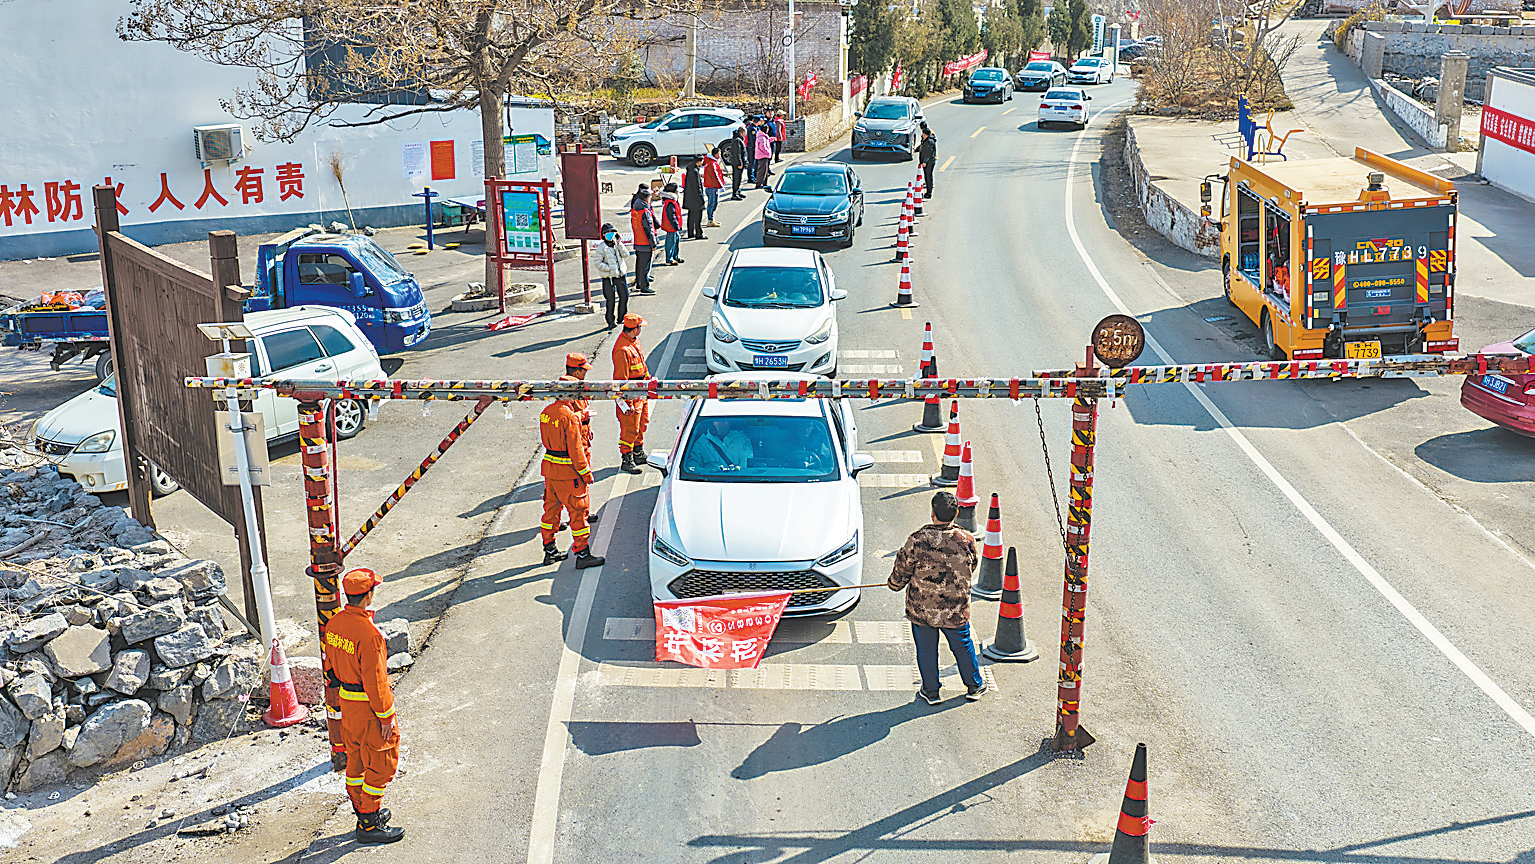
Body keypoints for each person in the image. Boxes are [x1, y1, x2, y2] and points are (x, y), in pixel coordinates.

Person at [325, 566, 405, 844]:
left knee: (357, 759)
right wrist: (386, 717)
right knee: (382, 763)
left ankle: (363, 812)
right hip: (369, 707)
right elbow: (376, 681)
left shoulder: (335, 623)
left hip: (348, 704)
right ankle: (369, 826)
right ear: (368, 595)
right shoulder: (369, 635)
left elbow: (331, 667)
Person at [888, 491, 987, 705]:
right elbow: (973, 565)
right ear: (956, 513)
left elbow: (901, 571)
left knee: (926, 650)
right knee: (962, 646)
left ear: (933, 514)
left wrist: (893, 584)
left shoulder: (917, 540)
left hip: (922, 610)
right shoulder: (967, 540)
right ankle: (974, 685)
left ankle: (931, 691)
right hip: (956, 609)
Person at [540, 353, 605, 569]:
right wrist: (586, 473)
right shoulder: (568, 417)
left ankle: (549, 550)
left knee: (551, 511)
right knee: (578, 514)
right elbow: (576, 449)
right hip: (569, 474)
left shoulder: (546, 412)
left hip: (551, 471)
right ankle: (583, 555)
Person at [611, 313, 651, 474]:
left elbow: (642, 363)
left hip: (640, 391)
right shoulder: (622, 350)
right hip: (631, 397)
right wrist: (626, 403)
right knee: (629, 429)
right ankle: (627, 460)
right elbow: (620, 380)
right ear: (634, 329)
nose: (641, 329)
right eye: (640, 327)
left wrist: (648, 381)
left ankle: (638, 453)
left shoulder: (634, 342)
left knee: (642, 424)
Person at [594, 223, 629, 330]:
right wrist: (609, 269)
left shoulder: (617, 244)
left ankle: (621, 317)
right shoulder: (602, 247)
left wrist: (619, 244)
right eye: (607, 232)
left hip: (620, 276)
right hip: (608, 278)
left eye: (612, 232)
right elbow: (597, 263)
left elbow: (626, 255)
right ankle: (610, 321)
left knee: (625, 296)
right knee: (610, 300)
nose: (610, 234)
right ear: (603, 235)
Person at [628, 185, 658, 296]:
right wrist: (653, 243)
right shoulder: (645, 211)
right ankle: (645, 287)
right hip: (645, 242)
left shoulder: (635, 210)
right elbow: (648, 229)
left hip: (638, 241)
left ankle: (639, 284)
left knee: (639, 264)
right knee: (645, 266)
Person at [659, 182, 684, 265]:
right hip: (671, 227)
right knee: (670, 243)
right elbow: (671, 216)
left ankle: (675, 256)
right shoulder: (670, 202)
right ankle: (669, 259)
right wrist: (676, 226)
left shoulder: (672, 200)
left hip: (674, 226)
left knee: (676, 241)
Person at [683, 155, 706, 240]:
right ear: (698, 161)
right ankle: (698, 234)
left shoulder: (690, 169)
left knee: (691, 216)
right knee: (698, 217)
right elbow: (697, 187)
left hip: (689, 198)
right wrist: (701, 199)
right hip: (696, 199)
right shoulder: (695, 171)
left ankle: (690, 233)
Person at [703, 147, 725, 227]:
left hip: (713, 186)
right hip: (712, 186)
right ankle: (710, 220)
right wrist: (720, 185)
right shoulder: (712, 164)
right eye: (719, 154)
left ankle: (711, 219)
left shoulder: (712, 163)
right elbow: (715, 176)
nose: (720, 155)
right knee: (712, 203)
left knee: (714, 203)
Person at [724, 129, 748, 200]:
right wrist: (739, 163)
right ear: (742, 132)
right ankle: (734, 194)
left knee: (739, 178)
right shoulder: (737, 140)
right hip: (737, 163)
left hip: (739, 162)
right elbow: (737, 153)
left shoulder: (739, 139)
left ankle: (738, 191)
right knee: (736, 179)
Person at [918, 124, 938, 199]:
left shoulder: (929, 142)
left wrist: (925, 162)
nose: (922, 135)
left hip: (929, 162)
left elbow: (928, 153)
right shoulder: (926, 140)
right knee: (927, 176)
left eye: (923, 134)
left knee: (928, 177)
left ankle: (929, 193)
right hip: (928, 162)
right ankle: (928, 191)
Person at [753, 122, 775, 190]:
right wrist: (768, 152)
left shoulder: (763, 136)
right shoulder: (762, 137)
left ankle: (764, 183)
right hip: (763, 156)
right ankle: (759, 183)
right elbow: (762, 146)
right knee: (762, 170)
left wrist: (771, 139)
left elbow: (767, 141)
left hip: (764, 155)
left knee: (765, 170)